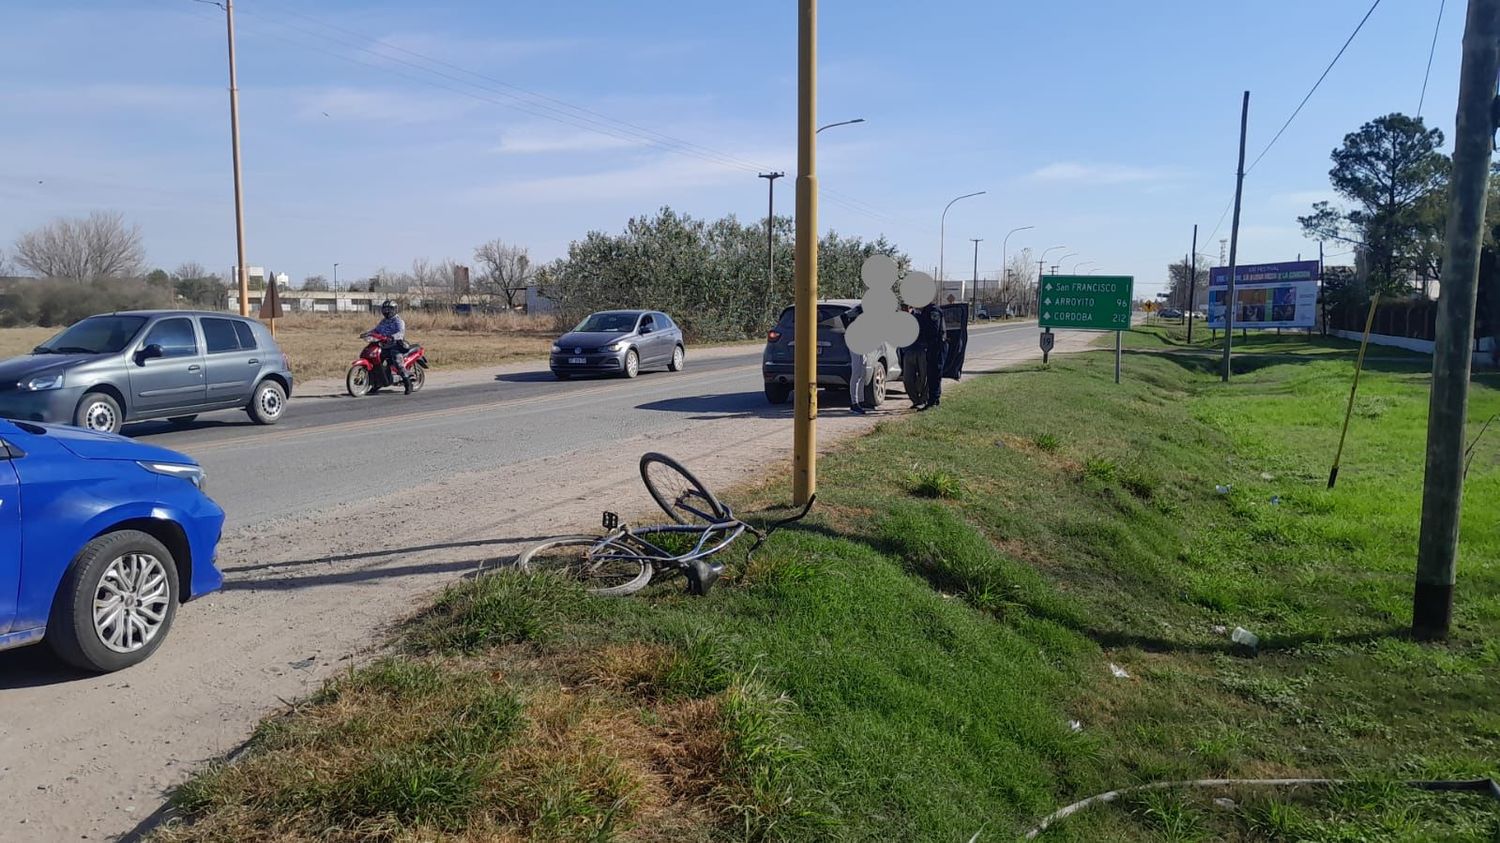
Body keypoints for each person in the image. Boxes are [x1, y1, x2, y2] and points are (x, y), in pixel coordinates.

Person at [361, 300, 412, 394]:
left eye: (389, 309)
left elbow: (400, 333)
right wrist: (367, 333)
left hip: (396, 345)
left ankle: (408, 383)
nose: (386, 311)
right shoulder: (384, 321)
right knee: (376, 361)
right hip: (384, 346)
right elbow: (376, 330)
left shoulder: (399, 321)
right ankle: (377, 383)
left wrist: (392, 337)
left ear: (394, 310)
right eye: (385, 309)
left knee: (397, 362)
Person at [916, 300, 947, 409]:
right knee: (931, 374)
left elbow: (934, 330)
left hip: (937, 347)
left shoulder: (933, 310)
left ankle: (934, 400)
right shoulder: (925, 311)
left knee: (935, 374)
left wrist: (928, 344)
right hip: (931, 347)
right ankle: (932, 400)